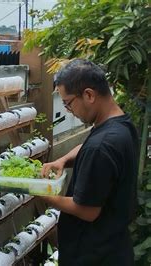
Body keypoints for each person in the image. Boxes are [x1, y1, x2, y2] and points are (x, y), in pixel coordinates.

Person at [40, 59, 139, 266]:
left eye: (68, 103)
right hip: (114, 248)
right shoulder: (120, 124)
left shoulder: (102, 145)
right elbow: (90, 146)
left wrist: (43, 194)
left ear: (89, 95)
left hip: (94, 256)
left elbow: (86, 210)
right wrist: (63, 159)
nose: (68, 110)